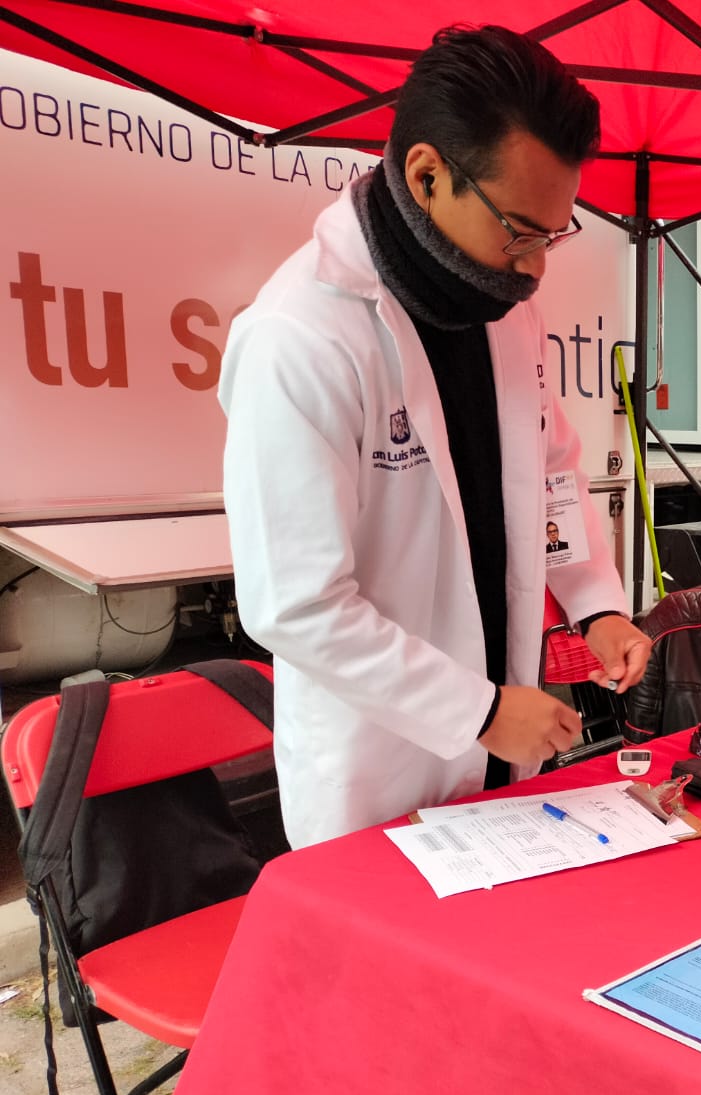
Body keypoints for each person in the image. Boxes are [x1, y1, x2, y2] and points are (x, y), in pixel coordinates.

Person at [221, 26, 650, 848]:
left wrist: (594, 604)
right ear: (426, 176)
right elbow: (296, 604)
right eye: (521, 231)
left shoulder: (501, 311)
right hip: (380, 768)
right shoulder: (300, 337)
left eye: (553, 235)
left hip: (503, 749)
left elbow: (552, 470)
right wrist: (478, 711)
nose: (536, 268)